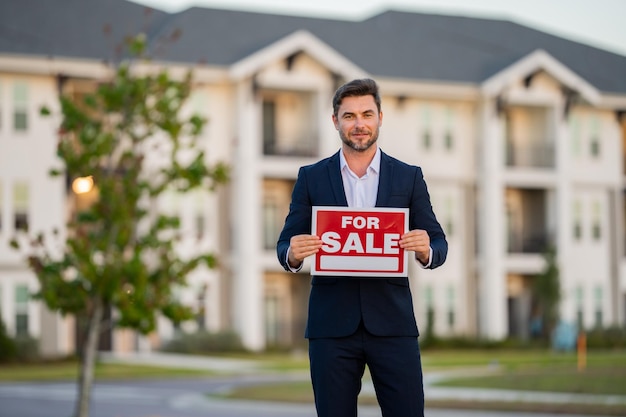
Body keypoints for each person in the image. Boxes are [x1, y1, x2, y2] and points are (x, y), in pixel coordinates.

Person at [276, 78, 448, 417]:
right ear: (335, 121)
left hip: (393, 325)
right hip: (331, 329)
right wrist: (292, 254)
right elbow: (286, 243)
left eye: (367, 114)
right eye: (350, 116)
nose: (359, 124)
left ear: (380, 118)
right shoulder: (311, 177)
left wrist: (427, 250)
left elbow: (438, 242)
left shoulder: (408, 177)